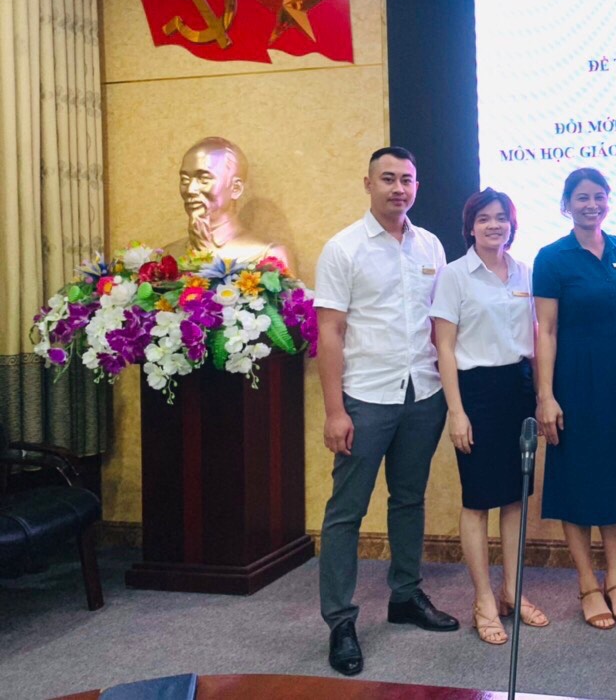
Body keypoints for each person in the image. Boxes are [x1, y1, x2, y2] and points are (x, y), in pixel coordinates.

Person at [314, 146, 457, 677]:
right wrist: (335, 411)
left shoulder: (431, 244)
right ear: (368, 183)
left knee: (409, 499)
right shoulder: (343, 248)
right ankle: (340, 620)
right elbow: (330, 331)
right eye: (389, 179)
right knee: (346, 512)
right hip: (366, 398)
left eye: (407, 180)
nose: (399, 188)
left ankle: (405, 595)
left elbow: (441, 322)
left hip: (422, 393)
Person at [533, 167, 616, 630]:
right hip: (574, 384)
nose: (591, 205)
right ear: (566, 205)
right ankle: (587, 584)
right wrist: (546, 396)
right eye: (582, 197)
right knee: (578, 480)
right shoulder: (552, 257)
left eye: (599, 196)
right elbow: (545, 330)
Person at [433, 188, 549, 646]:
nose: (494, 225)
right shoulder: (454, 275)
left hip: (517, 388)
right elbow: (444, 346)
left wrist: (540, 395)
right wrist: (456, 411)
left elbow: (535, 337)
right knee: (478, 500)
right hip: (475, 393)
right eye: (484, 218)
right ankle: (483, 599)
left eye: (501, 217)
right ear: (470, 226)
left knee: (516, 497)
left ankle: (512, 592)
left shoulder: (524, 272)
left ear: (512, 224)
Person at [164, 136, 291, 268]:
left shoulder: (267, 256)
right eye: (185, 180)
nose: (190, 189)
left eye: (204, 179)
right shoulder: (167, 256)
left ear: (235, 188)